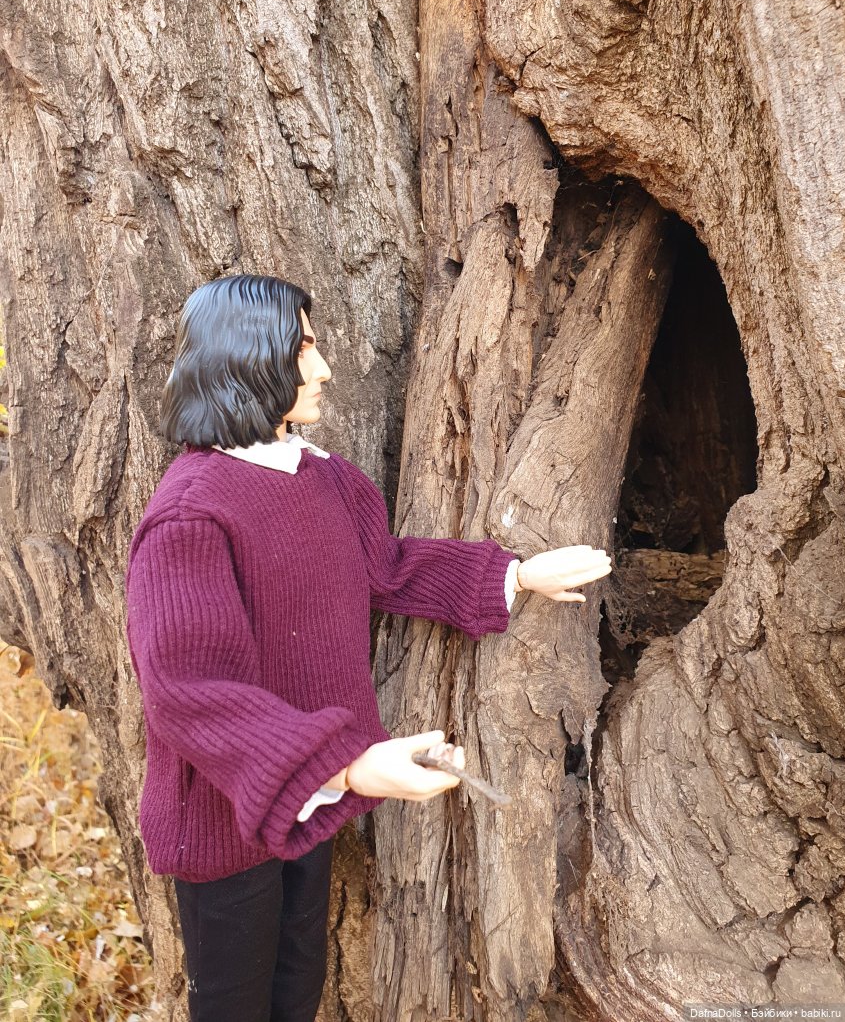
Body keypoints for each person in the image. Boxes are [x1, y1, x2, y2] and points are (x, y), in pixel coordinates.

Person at [125, 274, 611, 1022]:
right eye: (303, 347)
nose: (321, 369)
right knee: (234, 1006)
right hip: (226, 825)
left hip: (307, 799)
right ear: (246, 355)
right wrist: (348, 761)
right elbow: (189, 691)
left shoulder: (324, 480)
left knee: (298, 988)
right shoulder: (190, 514)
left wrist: (515, 574)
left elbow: (386, 566)